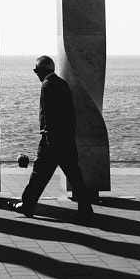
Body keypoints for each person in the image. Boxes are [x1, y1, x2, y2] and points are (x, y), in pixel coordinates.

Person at [18, 55, 94, 220]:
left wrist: (48, 136)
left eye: (36, 70)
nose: (35, 73)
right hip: (66, 140)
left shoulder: (47, 85)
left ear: (42, 70)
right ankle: (85, 208)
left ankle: (27, 205)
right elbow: (69, 114)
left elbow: (49, 115)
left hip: (51, 141)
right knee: (75, 175)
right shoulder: (62, 84)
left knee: (38, 174)